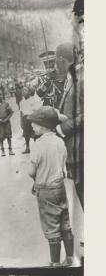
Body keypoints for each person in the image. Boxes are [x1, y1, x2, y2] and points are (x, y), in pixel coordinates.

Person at [26, 106, 74, 266]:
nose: (32, 126)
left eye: (33, 123)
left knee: (51, 225)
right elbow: (63, 162)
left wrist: (35, 179)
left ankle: (55, 263)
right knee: (64, 222)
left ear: (42, 126)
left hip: (45, 190)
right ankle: (70, 258)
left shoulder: (38, 145)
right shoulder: (60, 141)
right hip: (60, 187)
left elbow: (31, 171)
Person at [56, 42, 84, 207]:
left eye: (54, 60)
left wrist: (62, 127)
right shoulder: (73, 77)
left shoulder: (81, 78)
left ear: (61, 59)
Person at [0, 90, 14, 156]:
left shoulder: (6, 103)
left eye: (1, 94)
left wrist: (7, 119)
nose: (0, 96)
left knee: (8, 135)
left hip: (7, 122)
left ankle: (10, 149)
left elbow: (11, 112)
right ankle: (2, 150)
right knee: (0, 136)